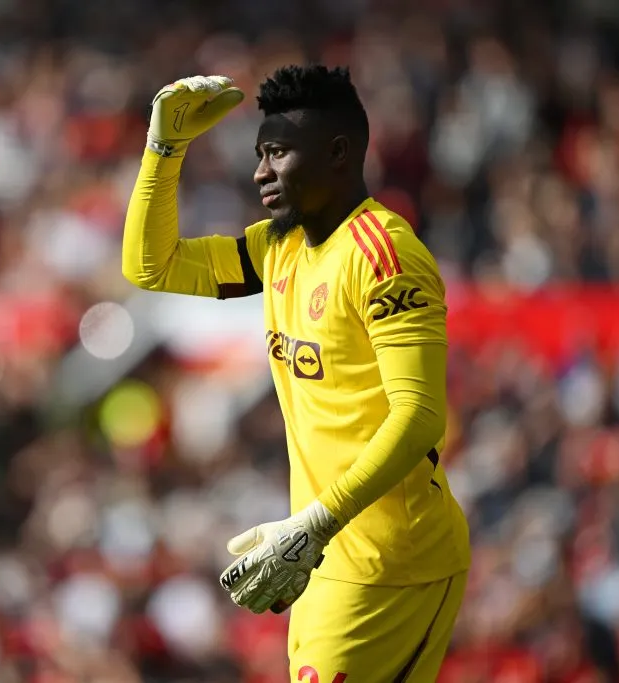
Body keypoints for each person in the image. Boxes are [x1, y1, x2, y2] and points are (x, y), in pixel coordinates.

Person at [122, 66, 470, 683]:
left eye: (278, 153)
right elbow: (152, 266)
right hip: (317, 555)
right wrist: (163, 149)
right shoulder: (278, 248)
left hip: (394, 563)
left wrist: (315, 522)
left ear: (338, 153)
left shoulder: (385, 257)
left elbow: (419, 415)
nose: (261, 172)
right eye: (260, 154)